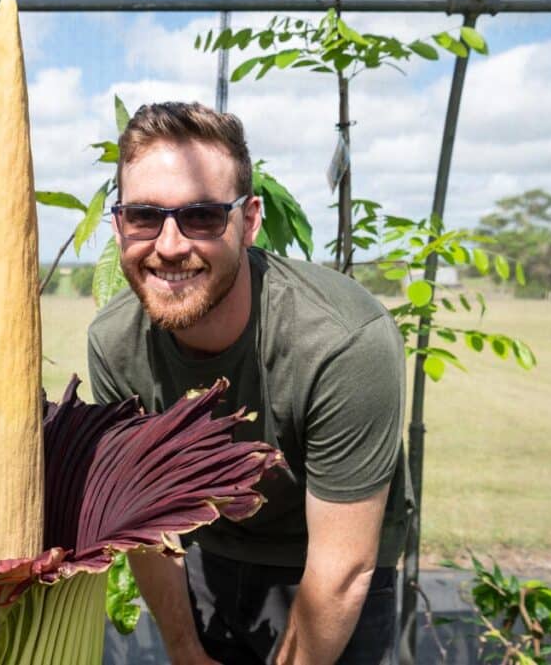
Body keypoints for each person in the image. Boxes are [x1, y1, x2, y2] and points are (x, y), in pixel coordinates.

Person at [87, 102, 411, 665]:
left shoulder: (340, 340)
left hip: (328, 558)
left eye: (203, 217)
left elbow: (342, 569)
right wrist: (185, 650)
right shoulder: (115, 345)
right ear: (119, 226)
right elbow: (149, 525)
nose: (168, 246)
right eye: (144, 216)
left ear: (250, 220)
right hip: (208, 552)